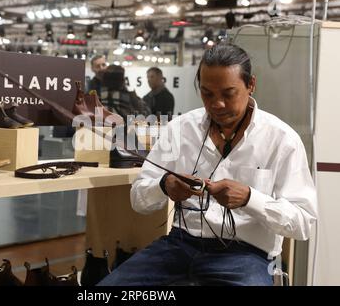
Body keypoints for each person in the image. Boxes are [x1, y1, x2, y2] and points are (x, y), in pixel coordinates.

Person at [98, 43, 317, 286]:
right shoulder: (180, 129)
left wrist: (249, 199)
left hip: (245, 254)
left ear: (251, 85)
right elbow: (138, 199)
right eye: (207, 94)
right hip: (179, 246)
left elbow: (303, 222)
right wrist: (164, 185)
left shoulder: (281, 139)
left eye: (228, 93)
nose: (217, 104)